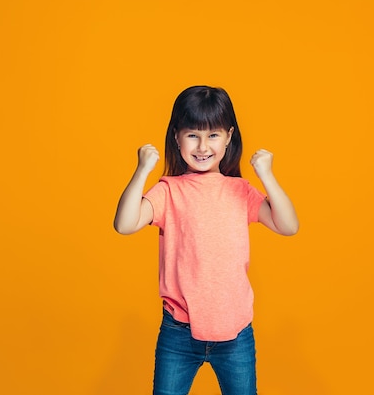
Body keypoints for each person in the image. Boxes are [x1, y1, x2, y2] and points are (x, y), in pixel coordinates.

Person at [113, 85, 299, 395]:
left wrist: (267, 176)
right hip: (179, 332)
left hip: (235, 333)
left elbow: (288, 226)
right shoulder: (168, 191)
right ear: (176, 136)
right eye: (193, 135)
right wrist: (142, 170)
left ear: (228, 136)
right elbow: (124, 224)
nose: (202, 146)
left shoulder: (240, 191)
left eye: (212, 135)